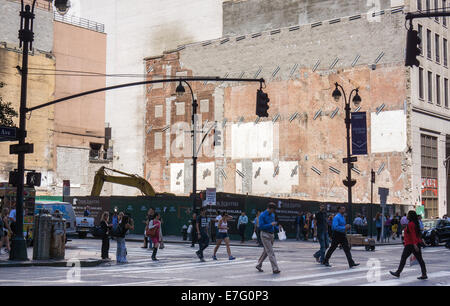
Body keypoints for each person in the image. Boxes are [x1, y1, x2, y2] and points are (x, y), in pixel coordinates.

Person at [390, 210, 428, 280]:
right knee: (420, 260)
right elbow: (416, 235)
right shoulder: (415, 223)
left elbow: (413, 235)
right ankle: (424, 274)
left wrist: (415, 244)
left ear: (410, 216)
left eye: (408, 215)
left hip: (411, 245)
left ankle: (398, 272)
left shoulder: (411, 224)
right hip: (412, 244)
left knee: (404, 258)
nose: (407, 216)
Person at [256, 202, 281, 274]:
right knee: (270, 252)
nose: (273, 211)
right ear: (269, 208)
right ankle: (275, 268)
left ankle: (259, 264)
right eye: (273, 210)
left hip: (271, 234)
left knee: (267, 251)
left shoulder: (272, 215)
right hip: (265, 234)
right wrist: (271, 224)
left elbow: (273, 225)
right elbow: (260, 226)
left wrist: (277, 227)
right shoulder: (262, 215)